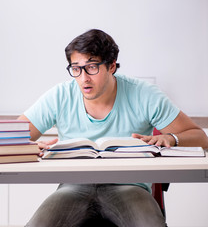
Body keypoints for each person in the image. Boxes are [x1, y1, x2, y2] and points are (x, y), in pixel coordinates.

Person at [18, 29, 208, 227]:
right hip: (74, 187)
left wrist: (171, 138)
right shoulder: (60, 95)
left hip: (129, 187)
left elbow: (200, 138)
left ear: (112, 67)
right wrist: (31, 146)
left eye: (91, 67)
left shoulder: (144, 94)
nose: (83, 78)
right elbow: (7, 137)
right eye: (76, 68)